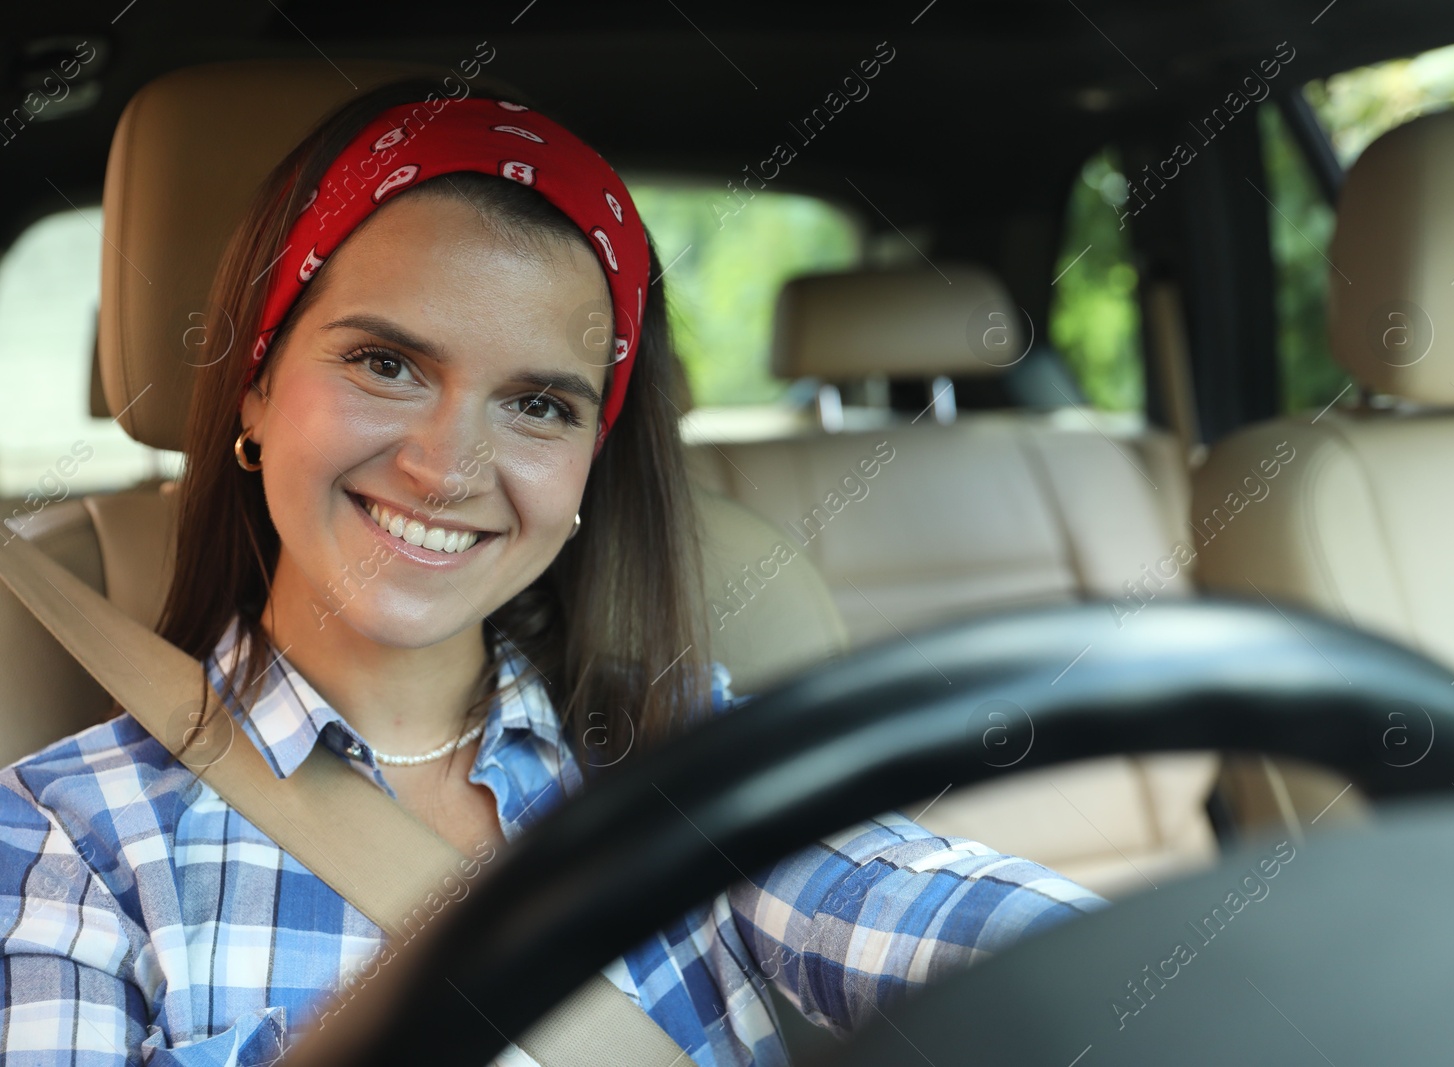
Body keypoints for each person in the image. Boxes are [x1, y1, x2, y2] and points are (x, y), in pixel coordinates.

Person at [0, 78, 1106, 1065]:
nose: (445, 468)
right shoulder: (73, 836)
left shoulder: (681, 750)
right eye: (384, 363)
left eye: (538, 404)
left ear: (587, 466)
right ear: (256, 384)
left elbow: (916, 905)